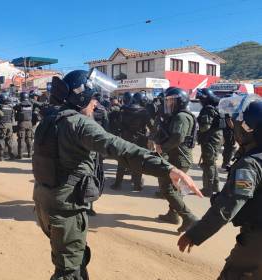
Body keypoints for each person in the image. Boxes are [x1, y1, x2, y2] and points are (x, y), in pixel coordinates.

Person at [33, 70, 201, 280]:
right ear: (82, 97)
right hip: (66, 209)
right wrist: (168, 168)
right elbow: (121, 148)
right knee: (68, 271)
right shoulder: (78, 123)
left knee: (72, 260)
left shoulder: (50, 120)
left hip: (45, 204)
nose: (96, 103)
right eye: (93, 98)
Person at [178, 97, 262, 280]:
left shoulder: (250, 164)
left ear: (250, 129)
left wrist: (195, 234)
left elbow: (228, 207)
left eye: (238, 123)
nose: (234, 127)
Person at [155, 87, 199, 233]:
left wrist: (163, 148)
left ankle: (189, 218)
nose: (169, 103)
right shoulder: (179, 115)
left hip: (179, 158)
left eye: (171, 100)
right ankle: (172, 215)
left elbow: (177, 138)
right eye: (168, 101)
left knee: (167, 188)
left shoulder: (181, 116)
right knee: (174, 189)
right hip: (177, 156)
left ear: (181, 101)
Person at [113, 92, 152, 191]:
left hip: (125, 138)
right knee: (137, 162)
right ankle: (137, 185)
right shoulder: (144, 112)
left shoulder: (123, 109)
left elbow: (118, 124)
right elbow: (151, 127)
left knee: (122, 160)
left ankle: (117, 184)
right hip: (140, 140)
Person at [196, 88, 225, 197]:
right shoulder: (215, 108)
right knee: (212, 163)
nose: (200, 101)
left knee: (208, 164)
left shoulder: (207, 109)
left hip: (210, 139)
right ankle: (215, 187)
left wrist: (196, 129)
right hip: (216, 138)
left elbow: (205, 127)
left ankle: (208, 189)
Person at [14, 92, 34, 159]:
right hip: (29, 123)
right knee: (29, 139)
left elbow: (14, 107)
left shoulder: (20, 105)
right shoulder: (31, 105)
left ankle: (20, 155)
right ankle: (30, 154)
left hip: (22, 123)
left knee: (21, 139)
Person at [0, 92, 15, 161]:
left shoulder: (0, 107)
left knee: (1, 140)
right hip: (10, 125)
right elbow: (13, 117)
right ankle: (11, 155)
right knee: (10, 140)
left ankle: (1, 157)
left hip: (2, 125)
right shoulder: (11, 107)